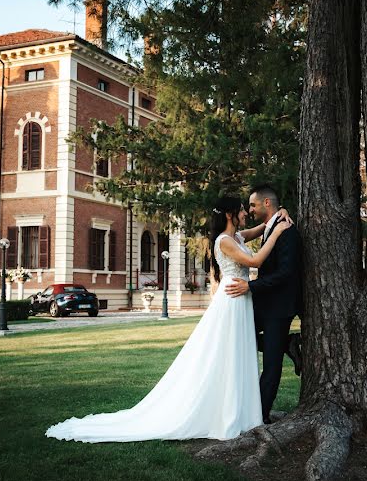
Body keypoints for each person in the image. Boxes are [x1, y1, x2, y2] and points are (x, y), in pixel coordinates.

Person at [45, 196, 291, 442]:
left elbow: (261, 229)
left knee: (237, 353)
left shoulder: (237, 237)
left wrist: (278, 215)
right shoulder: (225, 241)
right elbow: (255, 261)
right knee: (226, 354)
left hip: (241, 298)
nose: (246, 214)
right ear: (229, 214)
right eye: (241, 211)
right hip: (232, 300)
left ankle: (241, 411)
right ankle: (225, 412)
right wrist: (279, 231)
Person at [225, 184, 303, 424]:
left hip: (279, 306)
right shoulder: (268, 228)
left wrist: (251, 286)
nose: (249, 210)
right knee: (238, 338)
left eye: (252, 205)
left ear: (266, 204)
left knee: (271, 364)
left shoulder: (287, 231)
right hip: (262, 302)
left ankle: (260, 415)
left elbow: (286, 273)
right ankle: (287, 344)